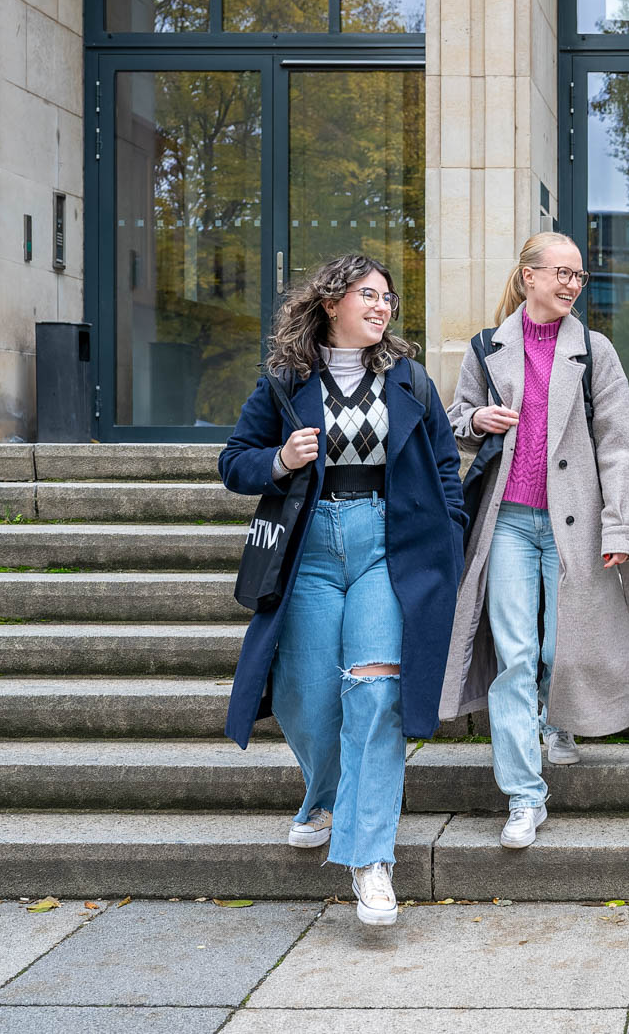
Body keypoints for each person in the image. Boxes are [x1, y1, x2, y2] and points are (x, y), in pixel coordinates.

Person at [218, 253, 468, 926]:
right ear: (331, 302)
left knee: (377, 690)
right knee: (306, 694)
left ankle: (369, 857)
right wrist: (279, 459)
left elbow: (446, 465)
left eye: (388, 298)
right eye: (369, 294)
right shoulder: (286, 380)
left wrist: (449, 532)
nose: (382, 307)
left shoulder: (410, 380)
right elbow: (233, 461)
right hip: (310, 549)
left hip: (389, 547)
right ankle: (324, 791)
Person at [444, 232, 629, 849]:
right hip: (506, 520)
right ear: (527, 276)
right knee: (515, 657)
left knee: (565, 647)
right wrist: (476, 420)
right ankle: (524, 797)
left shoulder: (597, 351)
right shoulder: (486, 348)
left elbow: (618, 444)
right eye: (560, 273)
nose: (571, 285)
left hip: (576, 524)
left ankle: (557, 721)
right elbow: (454, 420)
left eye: (578, 276)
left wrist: (620, 525)